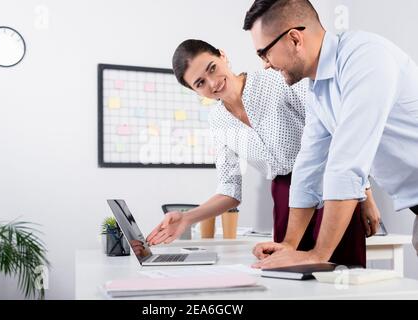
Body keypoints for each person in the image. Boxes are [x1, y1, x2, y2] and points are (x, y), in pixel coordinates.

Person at [146, 39, 380, 267]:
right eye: (200, 83)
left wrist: (365, 194)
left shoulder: (276, 79)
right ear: (196, 91)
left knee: (340, 272)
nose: (212, 83)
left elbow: (335, 129)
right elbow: (229, 190)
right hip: (284, 197)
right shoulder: (217, 121)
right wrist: (187, 218)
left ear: (223, 56)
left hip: (331, 184)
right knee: (290, 277)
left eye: (212, 68)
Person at [243, 0, 418, 268]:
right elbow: (309, 166)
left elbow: (346, 164)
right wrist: (289, 245)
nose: (266, 64)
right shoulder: (319, 87)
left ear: (294, 39)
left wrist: (318, 253)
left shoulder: (365, 58)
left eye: (264, 53)